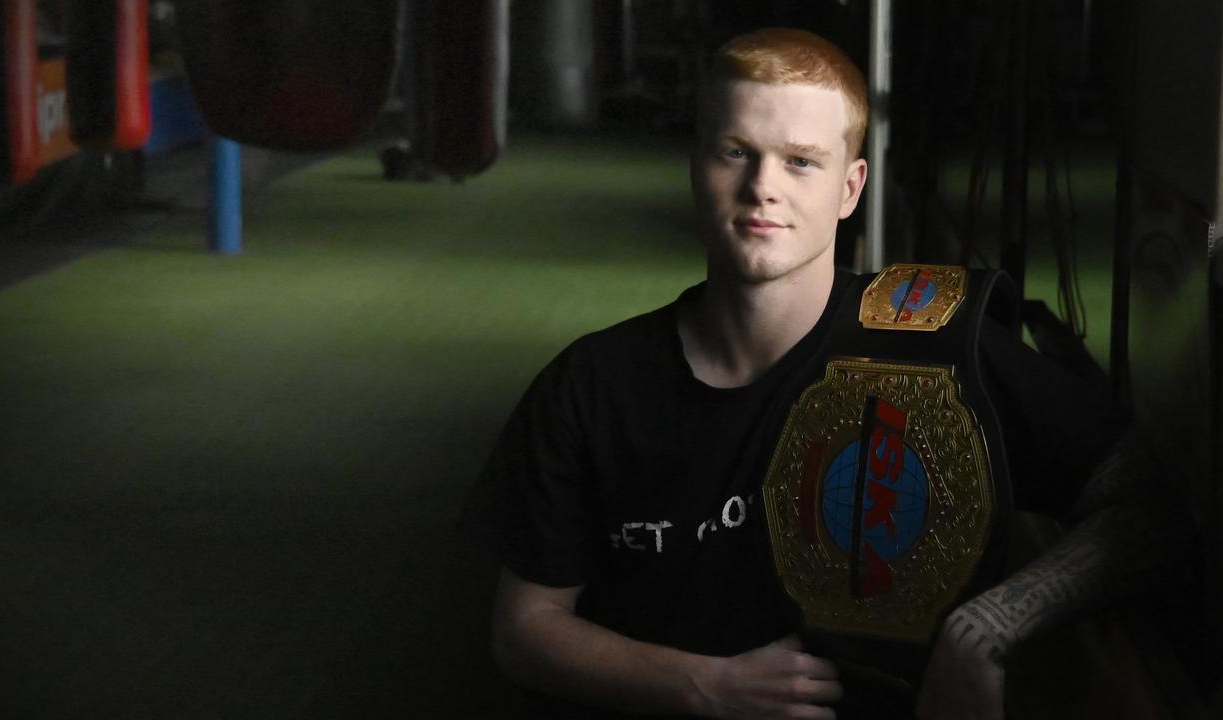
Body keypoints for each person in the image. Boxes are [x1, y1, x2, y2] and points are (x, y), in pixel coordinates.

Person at [473, 27, 1158, 720]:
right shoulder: (591, 386)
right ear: (695, 164)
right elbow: (524, 629)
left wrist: (990, 624)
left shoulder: (940, 347)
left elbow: (1146, 502)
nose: (762, 187)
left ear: (850, 187)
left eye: (801, 162)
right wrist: (706, 687)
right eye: (734, 152)